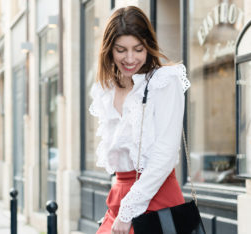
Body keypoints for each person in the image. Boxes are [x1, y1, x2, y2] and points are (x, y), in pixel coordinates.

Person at [89, 6, 191, 234]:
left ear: (148, 46)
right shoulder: (106, 90)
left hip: (157, 196)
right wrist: (122, 207)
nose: (130, 58)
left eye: (138, 49)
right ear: (109, 50)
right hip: (118, 198)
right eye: (121, 50)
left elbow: (165, 154)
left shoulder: (164, 82)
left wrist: (128, 210)